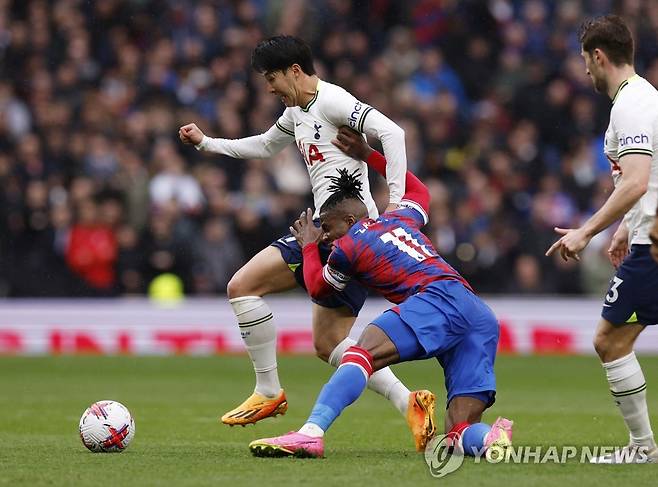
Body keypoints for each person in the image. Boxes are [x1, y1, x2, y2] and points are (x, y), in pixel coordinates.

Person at [179, 35, 433, 449]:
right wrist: (208, 143)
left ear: (295, 71)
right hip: (320, 229)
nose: (269, 88)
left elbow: (394, 133)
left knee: (262, 299)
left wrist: (398, 204)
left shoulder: (333, 101)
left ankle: (273, 392)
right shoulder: (297, 111)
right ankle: (406, 403)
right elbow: (264, 145)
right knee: (311, 332)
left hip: (350, 236)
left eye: (272, 78)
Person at [248, 127, 512, 458]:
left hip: (436, 299)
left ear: (349, 219)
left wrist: (310, 248)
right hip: (476, 313)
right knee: (457, 432)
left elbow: (318, 288)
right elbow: (419, 190)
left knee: (362, 353)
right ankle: (491, 439)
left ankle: (310, 433)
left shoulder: (350, 244)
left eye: (327, 227)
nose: (326, 236)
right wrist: (368, 154)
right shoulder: (401, 217)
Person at [545, 15, 658, 463]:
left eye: (584, 61)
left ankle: (642, 447)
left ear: (598, 56)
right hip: (645, 232)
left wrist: (586, 231)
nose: (584, 72)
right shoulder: (647, 97)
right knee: (612, 338)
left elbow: (635, 181)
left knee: (609, 341)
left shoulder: (631, 104)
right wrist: (623, 228)